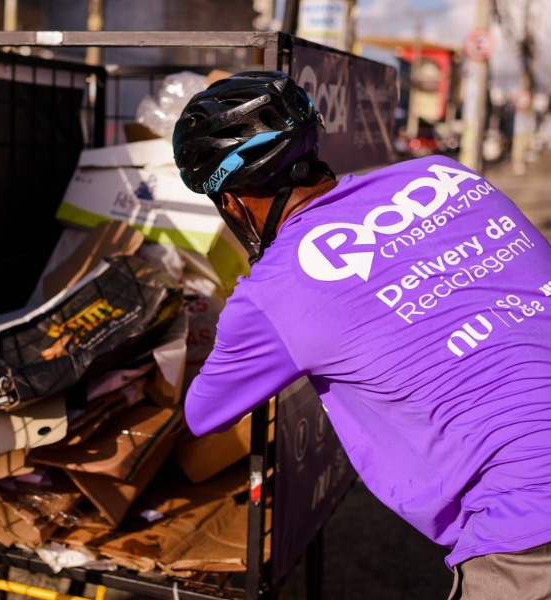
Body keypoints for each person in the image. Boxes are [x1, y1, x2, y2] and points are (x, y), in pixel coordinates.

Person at [172, 70, 551, 599]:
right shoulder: (446, 174)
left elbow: (204, 413)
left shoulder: (273, 292)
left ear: (232, 203)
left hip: (529, 530)